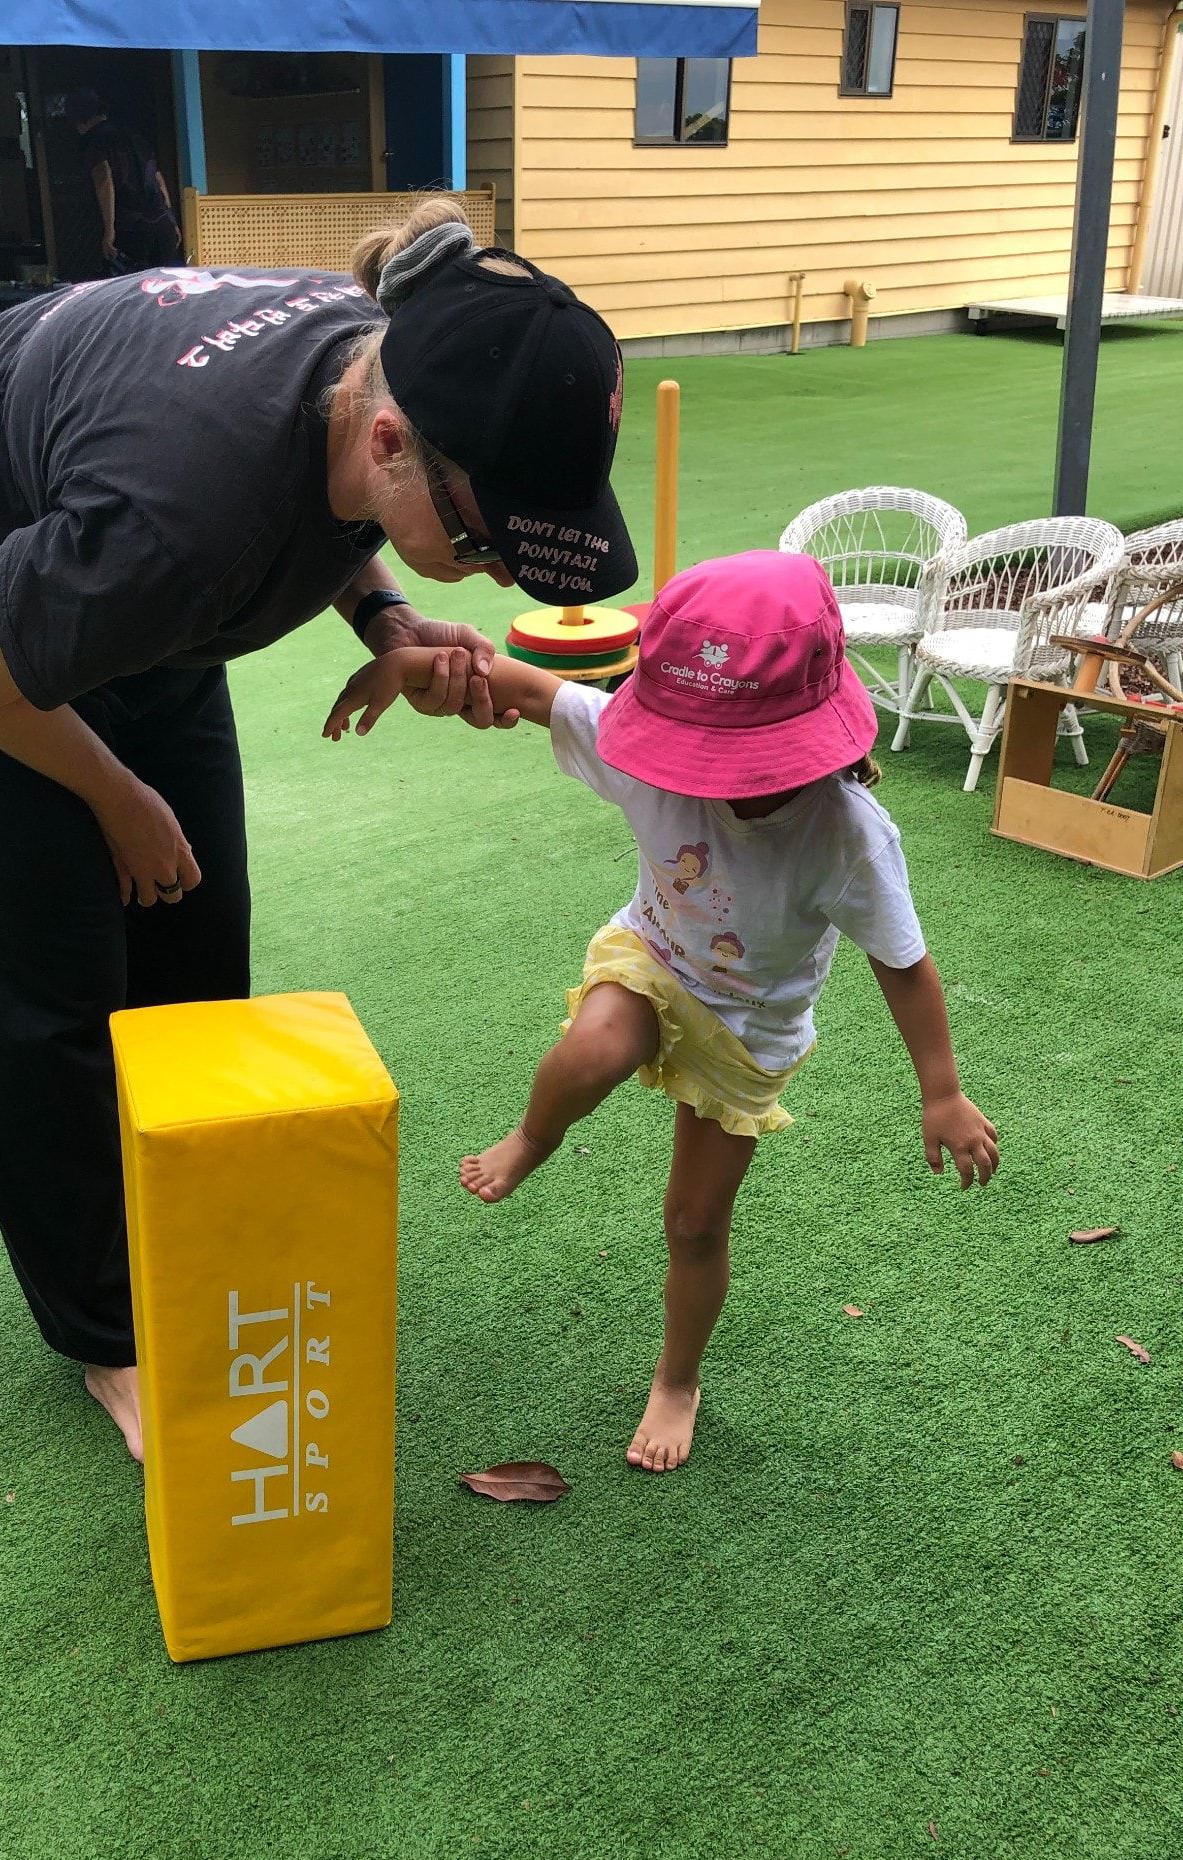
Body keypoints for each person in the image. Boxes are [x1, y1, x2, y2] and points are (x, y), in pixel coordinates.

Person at [0, 196, 637, 1460]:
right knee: (46, 973)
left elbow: (329, 510)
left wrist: (387, 621)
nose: (493, 578)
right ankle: (109, 1337)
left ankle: (184, 1218)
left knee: (198, 927)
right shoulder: (180, 520)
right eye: (483, 542)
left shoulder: (401, 351)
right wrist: (114, 795)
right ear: (389, 442)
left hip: (94, 551)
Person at [324, 550, 999, 1475]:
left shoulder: (846, 835)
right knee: (592, 1049)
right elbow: (528, 690)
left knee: (693, 1223)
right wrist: (407, 663)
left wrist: (943, 1093)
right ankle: (535, 1137)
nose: (729, 783)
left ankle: (677, 1378)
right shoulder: (652, 760)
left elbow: (904, 964)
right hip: (652, 959)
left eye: (755, 762)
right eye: (712, 758)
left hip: (748, 1029)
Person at [66, 88, 182, 273]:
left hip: (131, 228)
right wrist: (171, 219)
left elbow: (104, 180)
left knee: (130, 291)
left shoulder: (94, 142)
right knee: (163, 290)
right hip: (161, 225)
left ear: (80, 118)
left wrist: (109, 231)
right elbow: (158, 178)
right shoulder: (135, 138)